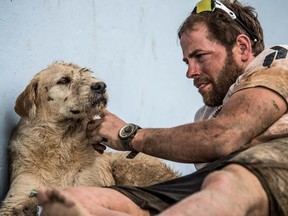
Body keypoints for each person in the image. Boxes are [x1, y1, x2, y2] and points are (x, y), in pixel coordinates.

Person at [37, 0, 288, 215]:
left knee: (228, 181)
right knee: (85, 200)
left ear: (242, 47)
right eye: (187, 61)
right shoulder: (206, 116)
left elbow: (223, 136)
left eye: (200, 56)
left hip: (259, 172)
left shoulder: (275, 61)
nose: (191, 72)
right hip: (220, 182)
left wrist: (129, 135)